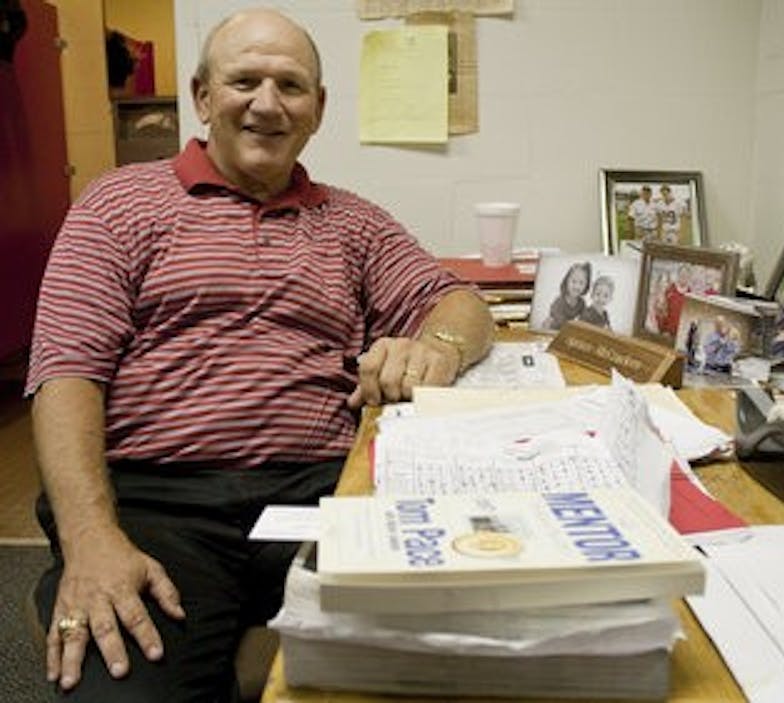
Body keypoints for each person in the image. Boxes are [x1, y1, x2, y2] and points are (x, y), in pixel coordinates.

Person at [26, 9, 494, 700]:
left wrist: (436, 347)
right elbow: (66, 370)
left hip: (323, 491)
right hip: (159, 502)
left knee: (438, 664)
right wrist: (91, 538)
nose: (267, 104)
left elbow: (462, 303)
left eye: (291, 85)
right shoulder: (117, 205)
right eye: (244, 80)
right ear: (203, 96)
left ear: (319, 108)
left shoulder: (353, 221)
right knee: (125, 685)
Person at [542, 261, 591, 331]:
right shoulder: (559, 302)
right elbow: (558, 320)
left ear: (586, 285)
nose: (577, 286)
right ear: (566, 281)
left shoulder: (581, 303)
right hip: (555, 329)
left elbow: (584, 318)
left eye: (581, 283)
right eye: (574, 281)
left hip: (569, 331)